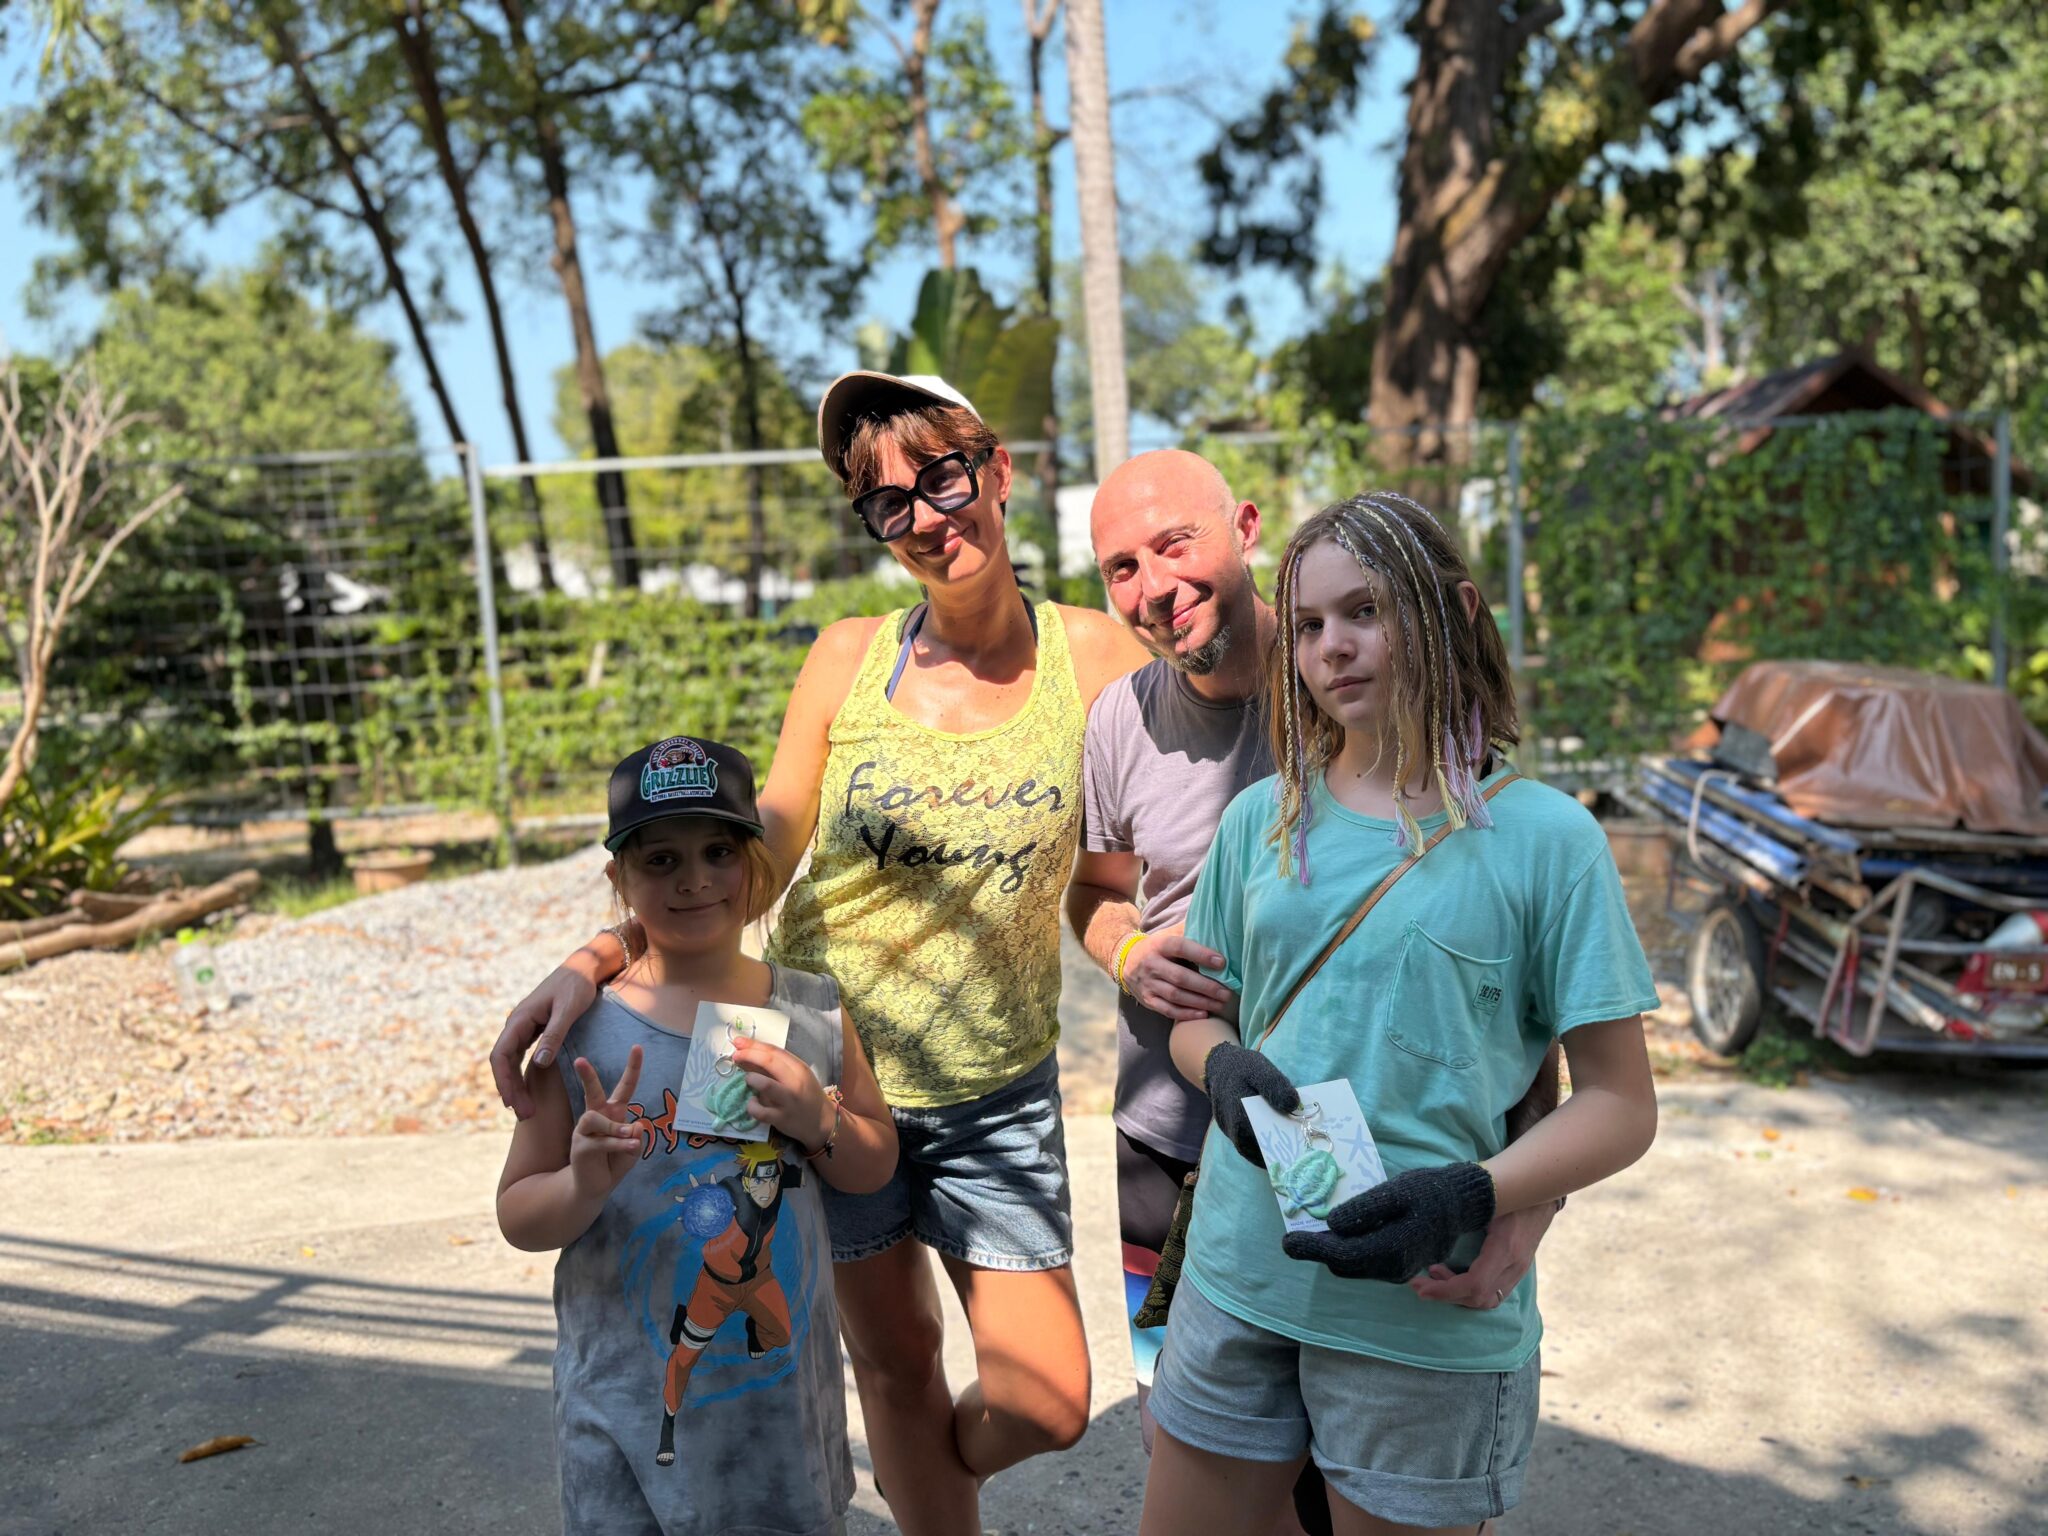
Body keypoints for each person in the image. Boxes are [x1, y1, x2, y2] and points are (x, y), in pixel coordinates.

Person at [492, 373, 1149, 1536]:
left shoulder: (1093, 659)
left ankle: (914, 1489)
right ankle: (922, 1501)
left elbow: (1140, 841)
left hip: (994, 1092)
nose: (926, 518)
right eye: (887, 503)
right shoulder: (849, 656)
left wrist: (1153, 945)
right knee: (893, 1370)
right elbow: (754, 861)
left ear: (996, 472)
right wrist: (596, 956)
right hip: (802, 1067)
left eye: (941, 478)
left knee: (1045, 1402)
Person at [1140, 493, 1661, 1536]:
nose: (1333, 647)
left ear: (1454, 612)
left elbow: (1618, 1103)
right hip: (1240, 1279)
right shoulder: (1261, 820)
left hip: (1422, 1311)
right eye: (1308, 625)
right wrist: (1219, 1068)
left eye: (1365, 611)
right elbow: (1200, 1020)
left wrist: (1474, 1192)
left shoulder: (1547, 840)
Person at [1070, 453, 1565, 1535]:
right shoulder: (1119, 719)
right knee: (1190, 1429)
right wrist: (1123, 955)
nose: (1152, 586)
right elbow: (1094, 897)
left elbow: (1498, 993)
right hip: (1174, 1124)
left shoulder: (1358, 702)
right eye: (1118, 567)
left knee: (1347, 1456)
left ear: (1242, 528)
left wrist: (1518, 1200)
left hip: (1362, 1134)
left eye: (1172, 546)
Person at [496, 734, 897, 1536]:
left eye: (718, 850)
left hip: (778, 1422)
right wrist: (580, 1183)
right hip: (621, 1417)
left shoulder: (814, 1008)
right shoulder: (578, 1036)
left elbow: (874, 1162)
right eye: (661, 860)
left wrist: (820, 1123)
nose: (695, 880)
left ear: (755, 861)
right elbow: (518, 1212)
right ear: (619, 879)